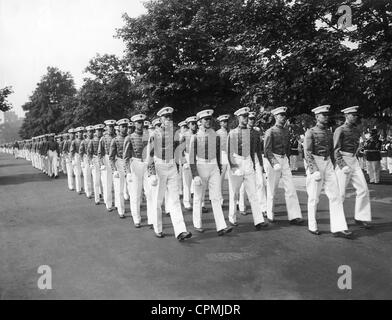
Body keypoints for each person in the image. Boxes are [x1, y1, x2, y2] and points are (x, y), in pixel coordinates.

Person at [304, 105, 352, 238]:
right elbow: (307, 153)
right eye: (323, 115)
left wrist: (337, 166)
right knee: (314, 197)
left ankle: (339, 227)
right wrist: (313, 170)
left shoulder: (329, 133)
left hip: (328, 164)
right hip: (316, 162)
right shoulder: (310, 132)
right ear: (316, 117)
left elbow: (333, 151)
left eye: (327, 115)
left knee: (335, 195)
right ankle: (312, 226)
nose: (326, 117)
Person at [146, 106, 192, 241]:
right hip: (159, 165)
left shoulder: (175, 134)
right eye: (166, 117)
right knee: (158, 200)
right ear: (160, 119)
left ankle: (180, 230)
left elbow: (179, 150)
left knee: (175, 199)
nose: (168, 119)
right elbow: (149, 156)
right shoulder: (154, 134)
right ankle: (158, 228)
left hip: (171, 166)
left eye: (170, 117)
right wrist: (152, 173)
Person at [189, 109, 233, 236]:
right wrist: (195, 175)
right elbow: (191, 158)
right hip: (201, 165)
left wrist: (218, 168)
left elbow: (218, 154)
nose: (208, 121)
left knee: (215, 196)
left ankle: (221, 226)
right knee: (198, 197)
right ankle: (197, 224)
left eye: (209, 119)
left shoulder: (216, 135)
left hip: (213, 166)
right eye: (205, 119)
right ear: (200, 121)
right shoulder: (195, 137)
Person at [227, 107, 268, 229]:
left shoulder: (252, 132)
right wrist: (234, 167)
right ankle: (232, 217)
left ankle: (258, 220)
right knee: (234, 193)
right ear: (238, 118)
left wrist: (253, 165)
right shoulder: (233, 133)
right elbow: (230, 152)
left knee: (253, 192)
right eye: (243, 117)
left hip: (248, 161)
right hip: (237, 160)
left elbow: (252, 151)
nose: (245, 119)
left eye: (246, 116)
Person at [264, 107, 304, 225]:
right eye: (281, 115)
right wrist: (274, 162)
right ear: (276, 117)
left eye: (284, 115)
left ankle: (294, 215)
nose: (283, 117)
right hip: (273, 160)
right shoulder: (270, 131)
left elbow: (287, 148)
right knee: (272, 187)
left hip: (284, 159)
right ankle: (270, 213)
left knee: (290, 187)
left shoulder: (287, 131)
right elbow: (267, 150)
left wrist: (285, 159)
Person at [334, 106, 372, 229]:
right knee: (341, 193)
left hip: (354, 160)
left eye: (356, 115)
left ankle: (361, 217)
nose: (355, 117)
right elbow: (335, 150)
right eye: (352, 115)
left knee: (363, 189)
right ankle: (338, 220)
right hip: (343, 160)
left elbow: (357, 145)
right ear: (346, 116)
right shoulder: (340, 130)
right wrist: (342, 165)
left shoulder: (356, 130)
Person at [238, 111, 267, 217]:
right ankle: (242, 205)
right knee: (243, 184)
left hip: (255, 157)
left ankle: (263, 207)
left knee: (260, 182)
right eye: (250, 119)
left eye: (253, 119)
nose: (252, 121)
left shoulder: (256, 132)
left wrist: (260, 163)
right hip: (244, 158)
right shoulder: (242, 131)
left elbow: (258, 149)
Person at [124, 114, 150, 228]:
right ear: (134, 124)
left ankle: (151, 218)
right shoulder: (129, 137)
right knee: (135, 193)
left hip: (146, 163)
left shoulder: (147, 136)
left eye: (142, 122)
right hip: (135, 163)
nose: (141, 124)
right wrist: (128, 172)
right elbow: (126, 157)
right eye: (138, 122)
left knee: (149, 192)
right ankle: (137, 218)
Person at [109, 119, 129, 218]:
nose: (125, 128)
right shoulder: (115, 140)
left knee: (131, 187)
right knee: (119, 188)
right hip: (119, 162)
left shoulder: (130, 138)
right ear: (119, 128)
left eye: (126, 126)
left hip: (130, 163)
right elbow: (111, 157)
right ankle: (121, 210)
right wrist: (114, 170)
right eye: (123, 126)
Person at [179, 116, 198, 211]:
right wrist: (184, 161)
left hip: (196, 158)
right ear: (188, 125)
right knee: (187, 182)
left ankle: (197, 201)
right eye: (192, 124)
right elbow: (180, 150)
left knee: (197, 181)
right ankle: (186, 202)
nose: (194, 126)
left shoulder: (198, 134)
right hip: (187, 157)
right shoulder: (185, 135)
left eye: (195, 123)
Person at [98, 120, 116, 212]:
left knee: (116, 183)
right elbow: (100, 153)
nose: (111, 128)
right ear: (106, 128)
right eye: (109, 126)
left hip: (116, 160)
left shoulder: (117, 137)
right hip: (107, 159)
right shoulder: (103, 138)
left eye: (112, 126)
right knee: (107, 184)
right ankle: (108, 203)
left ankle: (117, 203)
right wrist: (102, 164)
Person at [88, 124, 105, 205]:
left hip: (103, 160)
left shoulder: (104, 139)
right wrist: (90, 162)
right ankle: (97, 198)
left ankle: (105, 197)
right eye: (98, 130)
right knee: (96, 180)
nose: (99, 132)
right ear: (95, 131)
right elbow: (89, 153)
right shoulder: (92, 141)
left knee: (104, 180)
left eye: (101, 130)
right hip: (95, 160)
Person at [216, 114, 230, 206]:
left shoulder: (231, 132)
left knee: (232, 177)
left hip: (230, 155)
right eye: (223, 122)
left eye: (226, 121)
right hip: (222, 155)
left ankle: (235, 199)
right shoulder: (217, 133)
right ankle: (219, 198)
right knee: (220, 178)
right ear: (220, 123)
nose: (225, 123)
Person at [80, 126, 94, 199]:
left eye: (92, 131)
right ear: (87, 133)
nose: (90, 133)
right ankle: (88, 191)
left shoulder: (95, 140)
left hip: (94, 159)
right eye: (89, 132)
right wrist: (82, 161)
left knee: (96, 177)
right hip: (86, 159)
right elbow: (81, 152)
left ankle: (99, 192)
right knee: (87, 175)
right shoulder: (84, 141)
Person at [70, 127, 84, 194]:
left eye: (81, 132)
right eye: (79, 132)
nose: (80, 133)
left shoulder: (84, 140)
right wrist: (72, 159)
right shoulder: (74, 141)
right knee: (77, 173)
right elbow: (72, 151)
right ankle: (78, 188)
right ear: (77, 133)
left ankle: (86, 188)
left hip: (84, 156)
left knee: (85, 173)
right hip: (77, 156)